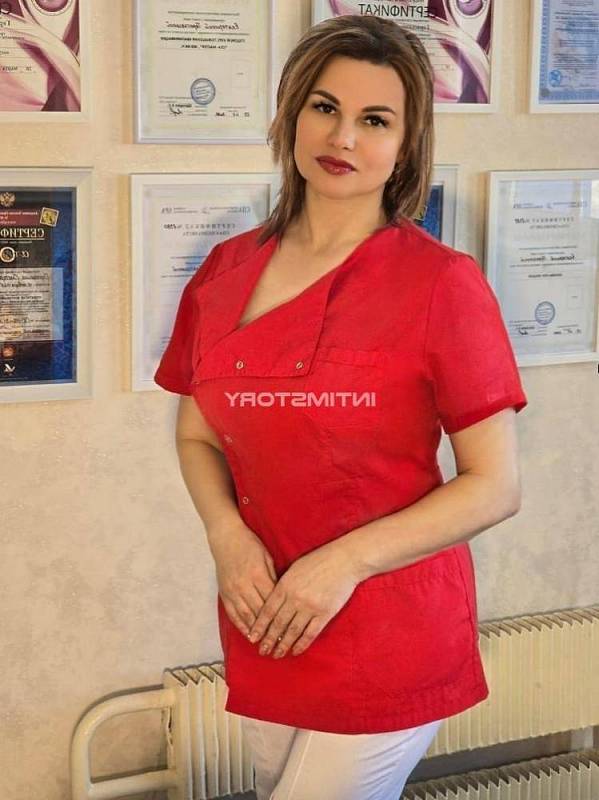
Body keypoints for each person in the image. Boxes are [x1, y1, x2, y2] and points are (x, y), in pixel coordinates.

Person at [154, 14, 528, 800]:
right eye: (324, 107)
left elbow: (494, 486)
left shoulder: (440, 283)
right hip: (267, 618)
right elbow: (197, 434)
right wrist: (225, 535)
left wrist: (341, 564)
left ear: (406, 146)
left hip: (388, 624)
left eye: (375, 120)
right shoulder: (224, 270)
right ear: (291, 115)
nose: (343, 137)